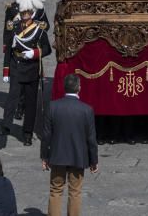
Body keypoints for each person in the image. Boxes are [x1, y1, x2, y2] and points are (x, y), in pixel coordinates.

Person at [0, 0, 51, 146]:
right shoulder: (12, 10)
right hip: (16, 62)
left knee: (31, 101)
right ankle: (7, 124)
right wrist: (5, 67)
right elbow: (7, 33)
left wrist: (35, 52)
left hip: (31, 65)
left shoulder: (38, 12)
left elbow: (46, 32)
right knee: (13, 95)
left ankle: (27, 132)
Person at [41, 74, 99, 216]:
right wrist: (94, 160)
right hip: (78, 156)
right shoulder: (86, 110)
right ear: (79, 88)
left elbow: (46, 135)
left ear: (64, 87)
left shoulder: (53, 106)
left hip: (57, 155)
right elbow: (91, 138)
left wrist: (44, 156)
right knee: (75, 192)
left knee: (55, 190)